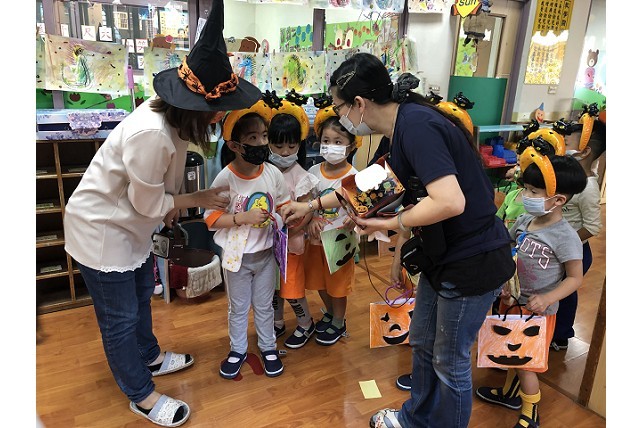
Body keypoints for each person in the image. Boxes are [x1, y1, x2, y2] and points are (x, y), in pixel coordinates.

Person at [282, 53, 516, 427]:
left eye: (340, 108)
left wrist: (390, 223)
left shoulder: (418, 126)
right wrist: (309, 205)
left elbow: (450, 202)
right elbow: (370, 185)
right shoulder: (400, 129)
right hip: (441, 256)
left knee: (449, 361)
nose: (341, 116)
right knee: (422, 343)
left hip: (472, 260)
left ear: (359, 103)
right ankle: (415, 419)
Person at [61, 0, 261, 426]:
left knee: (139, 296)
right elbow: (147, 204)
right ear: (196, 107)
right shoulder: (151, 133)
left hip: (129, 225)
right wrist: (195, 199)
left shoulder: (175, 121)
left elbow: (160, 188)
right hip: (101, 231)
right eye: (218, 110)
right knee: (119, 318)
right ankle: (141, 393)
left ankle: (148, 355)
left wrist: (175, 203)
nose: (221, 117)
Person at [476, 152, 587, 428]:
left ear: (558, 200)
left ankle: (531, 412)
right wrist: (504, 283)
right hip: (512, 301)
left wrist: (548, 297)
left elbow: (575, 278)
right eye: (526, 189)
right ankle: (509, 394)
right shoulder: (525, 220)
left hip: (538, 312)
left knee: (526, 365)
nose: (525, 195)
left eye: (533, 192)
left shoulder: (566, 237)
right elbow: (509, 250)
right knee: (509, 352)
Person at [204, 95, 291, 379]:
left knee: (265, 306)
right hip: (237, 258)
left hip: (266, 256)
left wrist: (285, 216)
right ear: (235, 145)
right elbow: (211, 219)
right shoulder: (225, 179)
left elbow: (283, 205)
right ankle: (238, 349)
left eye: (264, 136)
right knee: (239, 307)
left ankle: (268, 347)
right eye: (253, 138)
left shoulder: (273, 173)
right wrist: (242, 218)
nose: (261, 143)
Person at [303, 97, 361, 346]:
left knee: (337, 285)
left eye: (338, 142)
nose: (331, 146)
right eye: (326, 141)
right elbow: (307, 204)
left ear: (351, 146)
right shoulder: (313, 173)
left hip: (340, 243)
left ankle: (339, 320)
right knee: (318, 282)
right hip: (315, 241)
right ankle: (329, 312)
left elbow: (362, 209)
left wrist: (355, 219)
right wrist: (309, 221)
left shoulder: (355, 176)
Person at [267, 91, 320, 349]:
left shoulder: (302, 176)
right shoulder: (265, 171)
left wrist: (292, 221)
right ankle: (277, 322)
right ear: (268, 143)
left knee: (292, 289)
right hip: (267, 244)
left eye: (291, 146)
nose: (285, 152)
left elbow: (306, 210)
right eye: (278, 146)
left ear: (299, 145)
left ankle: (306, 324)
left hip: (292, 245)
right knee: (273, 288)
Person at [550, 106, 605, 350]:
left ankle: (561, 335)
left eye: (567, 142)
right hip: (556, 246)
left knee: (566, 291)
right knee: (553, 288)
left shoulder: (589, 188)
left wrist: (566, 242)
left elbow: (593, 227)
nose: (562, 145)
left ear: (585, 151)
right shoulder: (569, 177)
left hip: (576, 251)